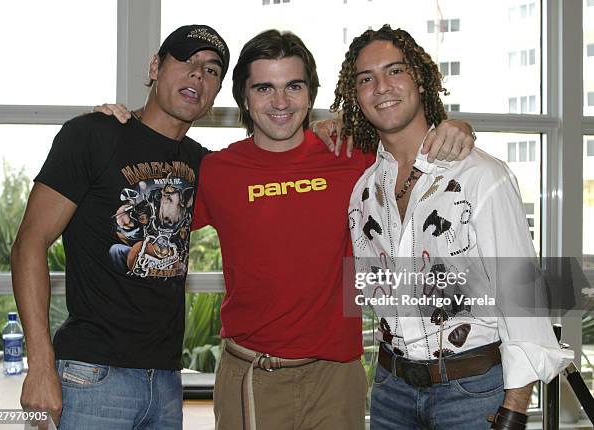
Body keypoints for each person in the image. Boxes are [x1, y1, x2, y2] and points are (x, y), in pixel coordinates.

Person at [95, 30, 475, 430]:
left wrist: (456, 126)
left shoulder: (351, 155)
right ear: (244, 96)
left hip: (336, 378)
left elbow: (409, 134)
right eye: (264, 88)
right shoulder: (216, 171)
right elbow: (138, 207)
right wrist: (117, 127)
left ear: (311, 94)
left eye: (293, 86)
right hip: (252, 376)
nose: (280, 102)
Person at [337, 25, 574, 429]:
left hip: (471, 393)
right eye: (365, 79)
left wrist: (515, 408)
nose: (381, 87)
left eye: (395, 71)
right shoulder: (363, 191)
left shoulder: (482, 175)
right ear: (355, 97)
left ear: (421, 82)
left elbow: (522, 298)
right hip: (390, 390)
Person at [10, 24, 230, 429]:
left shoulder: (203, 164)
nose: (198, 74)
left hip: (165, 383)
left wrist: (323, 130)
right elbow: (29, 243)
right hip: (91, 377)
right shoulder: (92, 135)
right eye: (186, 59)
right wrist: (39, 366)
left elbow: (269, 166)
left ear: (215, 95)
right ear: (154, 67)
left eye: (212, 70)